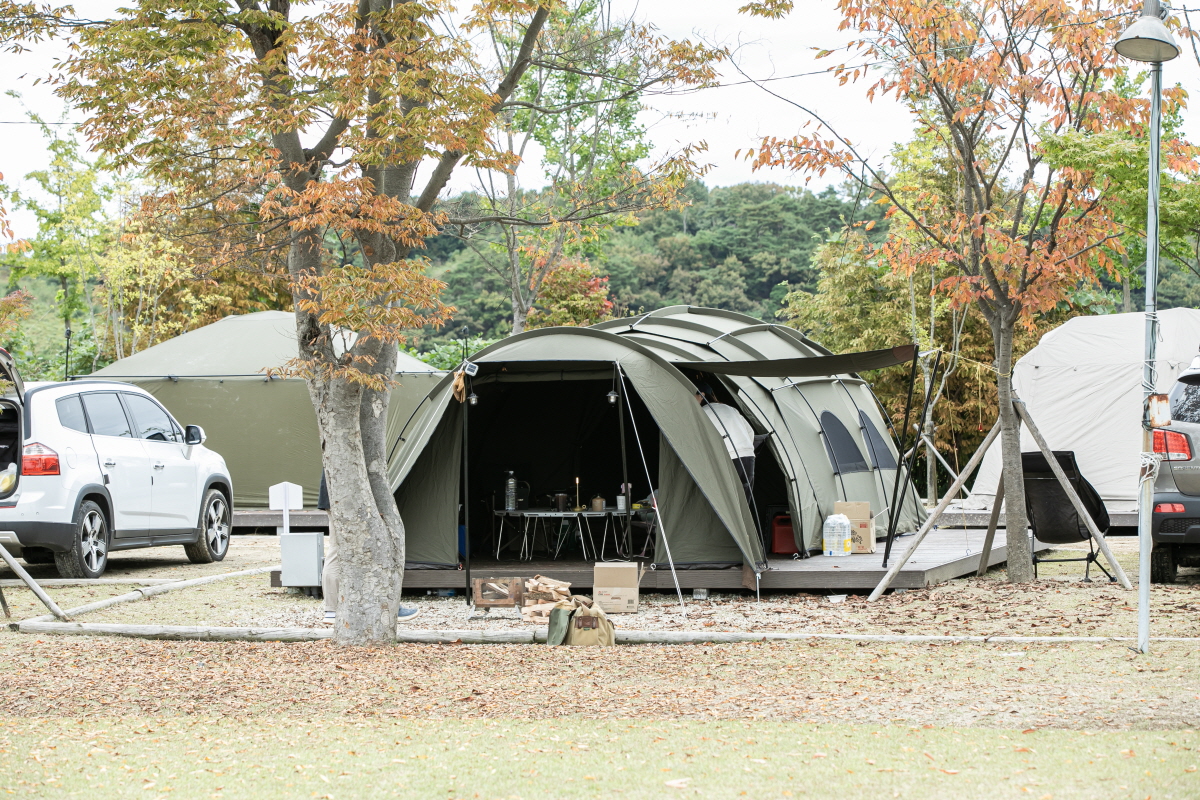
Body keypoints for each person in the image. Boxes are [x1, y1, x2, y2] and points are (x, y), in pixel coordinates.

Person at [318, 472, 421, 625]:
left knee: (338, 550)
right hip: (349, 497)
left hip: (339, 495)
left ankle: (334, 610)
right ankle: (386, 608)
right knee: (374, 549)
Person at [695, 383, 756, 501]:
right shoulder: (730, 408)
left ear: (702, 395)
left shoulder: (702, 412)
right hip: (748, 457)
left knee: (727, 501)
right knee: (743, 501)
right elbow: (750, 432)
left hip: (728, 458)